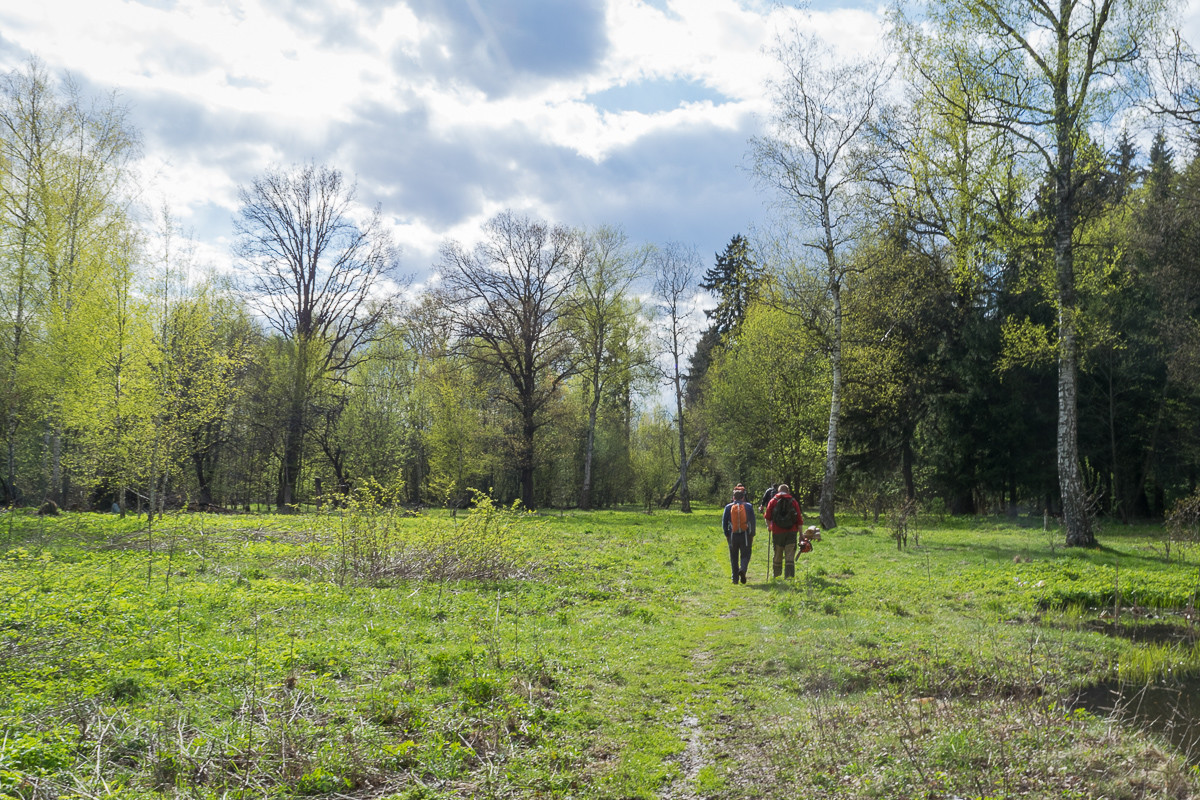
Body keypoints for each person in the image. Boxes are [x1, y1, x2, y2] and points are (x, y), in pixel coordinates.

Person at [764, 483, 803, 578]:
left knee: (777, 553)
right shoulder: (793, 501)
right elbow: (799, 519)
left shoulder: (773, 501)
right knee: (790, 555)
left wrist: (769, 527)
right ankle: (789, 577)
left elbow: (767, 517)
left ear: (778, 491)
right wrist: (801, 534)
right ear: (788, 491)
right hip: (791, 531)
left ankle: (776, 576)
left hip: (777, 532)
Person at [722, 484, 756, 584]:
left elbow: (724, 522)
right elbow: (752, 522)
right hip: (745, 535)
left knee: (733, 556)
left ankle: (735, 579)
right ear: (743, 497)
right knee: (746, 554)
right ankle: (743, 569)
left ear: (733, 498)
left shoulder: (728, 507)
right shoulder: (748, 506)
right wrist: (752, 534)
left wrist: (726, 534)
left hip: (733, 534)